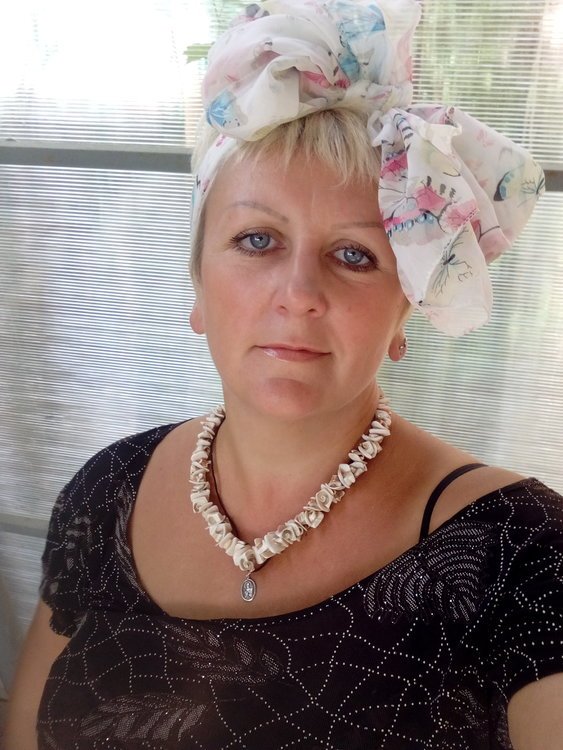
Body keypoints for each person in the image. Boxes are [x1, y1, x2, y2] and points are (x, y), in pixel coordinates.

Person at [6, 0, 563, 747]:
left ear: (405, 310)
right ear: (198, 285)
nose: (298, 294)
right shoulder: (104, 494)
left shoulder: (525, 554)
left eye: (354, 255)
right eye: (257, 239)